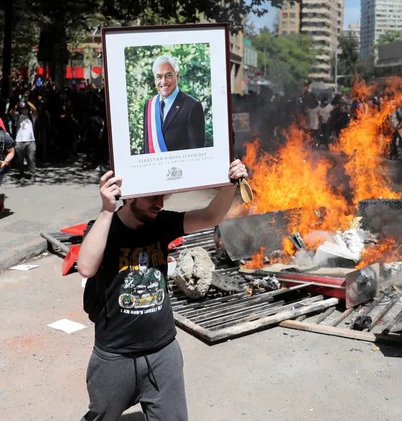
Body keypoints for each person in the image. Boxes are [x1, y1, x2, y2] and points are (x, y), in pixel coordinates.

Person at [78, 159, 249, 421]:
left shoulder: (161, 223)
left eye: (163, 195)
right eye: (151, 196)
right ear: (130, 194)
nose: (159, 203)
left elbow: (210, 216)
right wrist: (105, 211)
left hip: (163, 352)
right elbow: (86, 267)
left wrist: (230, 184)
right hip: (115, 355)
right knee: (101, 415)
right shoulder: (104, 227)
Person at [142, 55, 205, 154]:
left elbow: (197, 152)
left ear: (177, 76)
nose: (163, 81)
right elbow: (147, 146)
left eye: (168, 75)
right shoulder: (149, 105)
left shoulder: (192, 106)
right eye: (159, 77)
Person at [13, 100, 38, 182]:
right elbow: (12, 113)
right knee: (20, 158)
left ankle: (33, 174)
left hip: (30, 140)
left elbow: (35, 110)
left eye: (26, 109)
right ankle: (21, 172)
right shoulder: (18, 116)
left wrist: (27, 101)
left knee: (31, 158)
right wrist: (16, 105)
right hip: (19, 140)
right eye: (23, 109)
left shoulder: (31, 117)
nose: (24, 110)